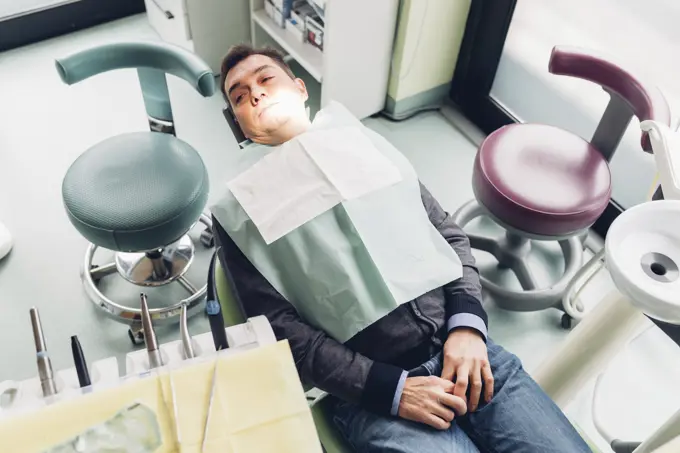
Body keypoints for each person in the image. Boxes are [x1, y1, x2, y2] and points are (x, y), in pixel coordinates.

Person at [212, 44, 591, 453]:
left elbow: (449, 235)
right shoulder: (239, 211)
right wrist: (392, 391)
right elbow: (280, 332)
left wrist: (467, 327)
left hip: (463, 349)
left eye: (266, 78)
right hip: (370, 396)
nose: (255, 93)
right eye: (239, 95)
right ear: (242, 126)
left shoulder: (360, 143)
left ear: (301, 89)